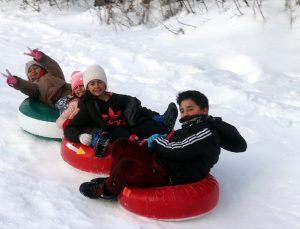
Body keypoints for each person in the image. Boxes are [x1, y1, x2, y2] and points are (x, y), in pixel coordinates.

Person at [78, 90, 247, 200]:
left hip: (170, 174)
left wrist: (156, 140)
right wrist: (149, 142)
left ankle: (108, 190)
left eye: (190, 109)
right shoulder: (193, 126)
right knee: (121, 145)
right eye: (182, 110)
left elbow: (177, 149)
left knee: (126, 165)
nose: (185, 113)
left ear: (204, 110)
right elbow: (173, 141)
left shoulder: (205, 131)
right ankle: (113, 180)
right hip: (160, 161)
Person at [63, 64, 178, 157]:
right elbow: (70, 127)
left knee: (148, 125)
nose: (96, 86)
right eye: (92, 83)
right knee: (121, 134)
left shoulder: (116, 98)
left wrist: (155, 117)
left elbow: (138, 110)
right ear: (87, 87)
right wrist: (80, 136)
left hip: (130, 127)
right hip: (111, 133)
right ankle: (136, 145)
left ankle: (163, 125)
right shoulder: (88, 106)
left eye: (99, 82)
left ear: (105, 83)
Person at [1, 47, 71, 108]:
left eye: (35, 68)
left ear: (42, 68)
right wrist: (17, 82)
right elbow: (27, 88)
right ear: (28, 76)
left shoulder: (53, 73)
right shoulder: (34, 86)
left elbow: (52, 65)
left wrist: (42, 58)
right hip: (60, 101)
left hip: (72, 92)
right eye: (29, 71)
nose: (33, 71)